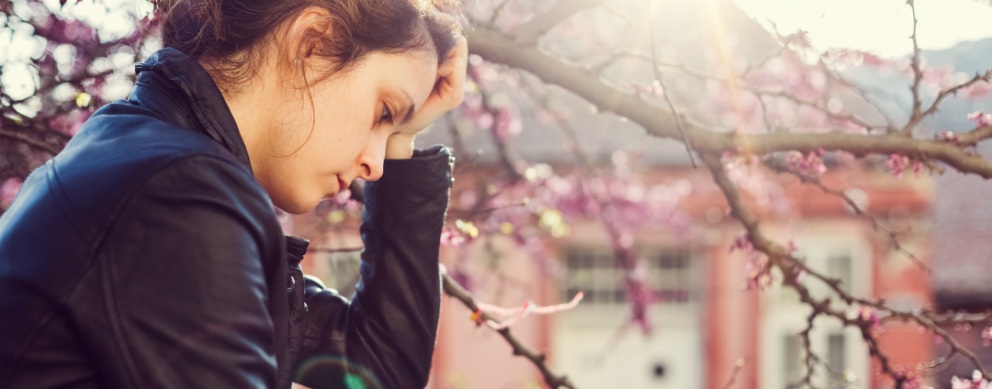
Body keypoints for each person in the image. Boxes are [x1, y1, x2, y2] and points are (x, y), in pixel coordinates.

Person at [0, 0, 466, 388]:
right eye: (383, 111)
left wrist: (406, 133)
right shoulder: (176, 194)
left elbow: (380, 369)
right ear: (313, 43)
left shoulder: (147, 158)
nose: (376, 165)